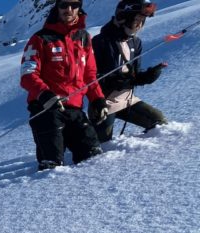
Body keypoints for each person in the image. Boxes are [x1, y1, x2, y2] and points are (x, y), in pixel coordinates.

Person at [20, 0, 106, 170]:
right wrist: (44, 94)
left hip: (75, 110)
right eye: (64, 5)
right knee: (52, 165)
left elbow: (89, 74)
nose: (69, 9)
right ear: (56, 7)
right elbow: (27, 75)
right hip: (46, 109)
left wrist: (97, 99)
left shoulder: (83, 38)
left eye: (74, 5)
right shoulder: (40, 39)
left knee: (93, 158)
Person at [91, 1, 167, 142]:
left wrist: (148, 76)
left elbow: (134, 74)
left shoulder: (135, 42)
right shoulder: (100, 42)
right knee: (99, 147)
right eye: (136, 19)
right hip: (104, 103)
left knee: (160, 123)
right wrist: (118, 81)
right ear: (123, 18)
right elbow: (92, 77)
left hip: (127, 100)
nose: (139, 24)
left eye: (142, 20)